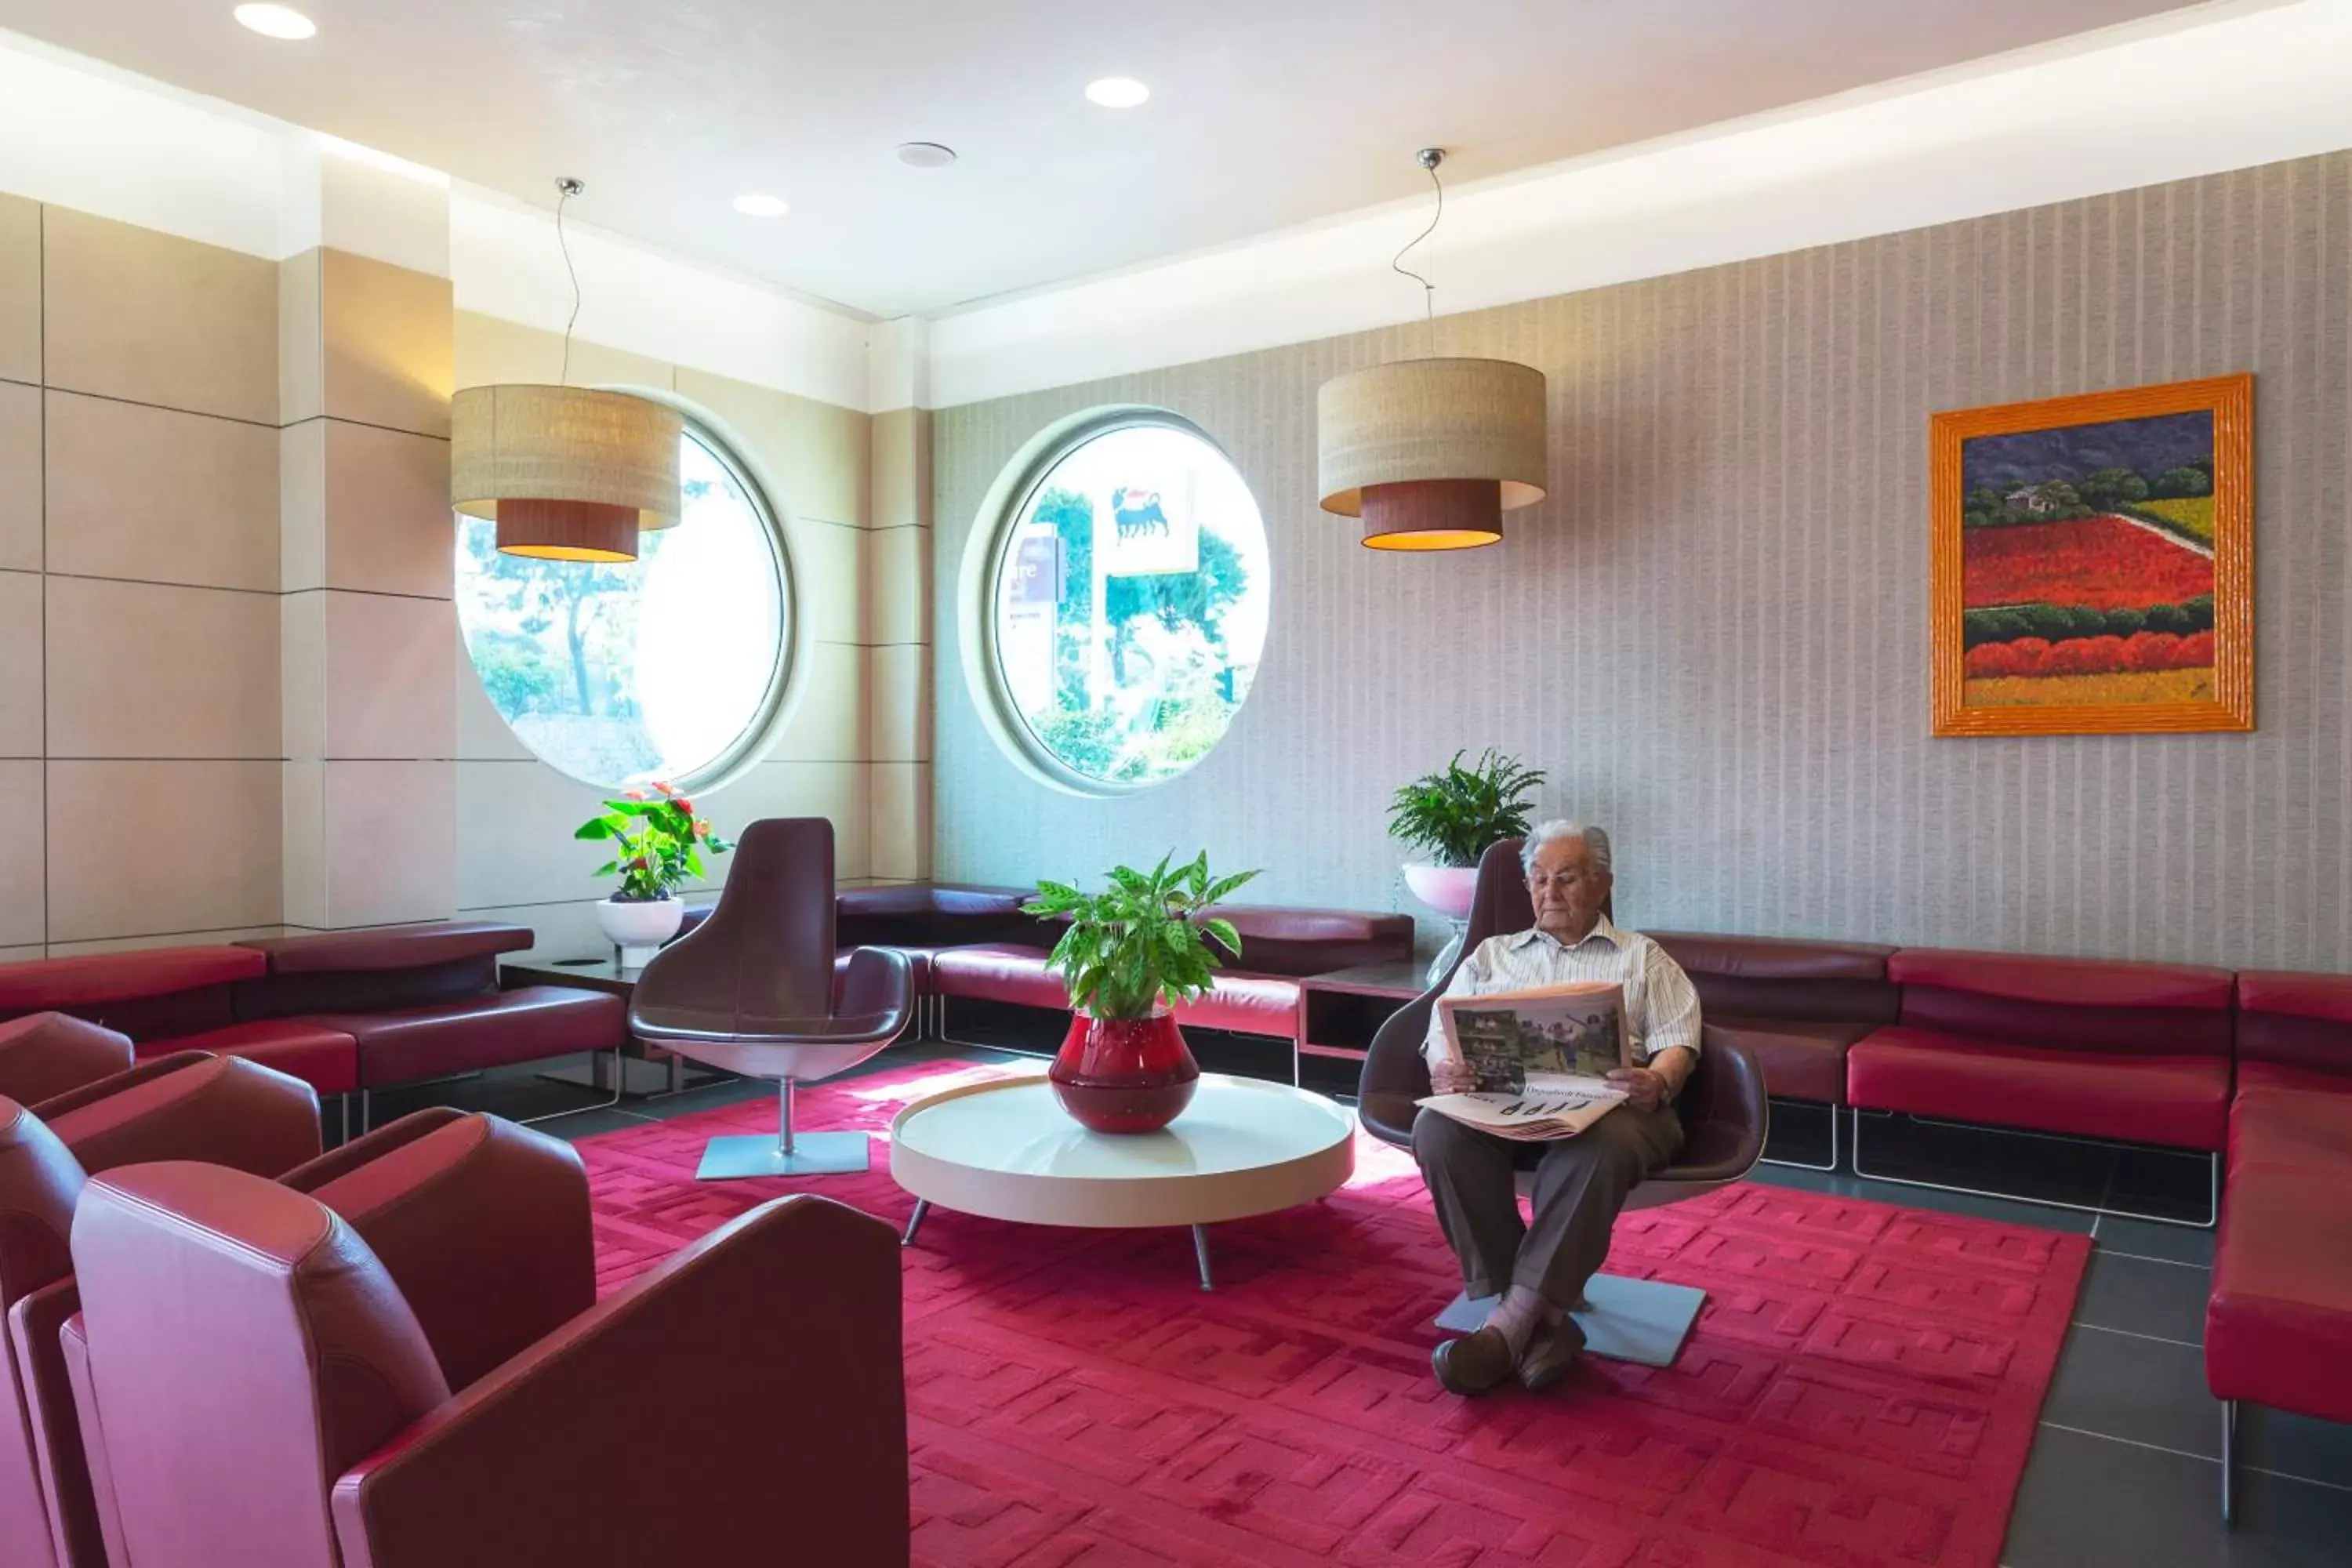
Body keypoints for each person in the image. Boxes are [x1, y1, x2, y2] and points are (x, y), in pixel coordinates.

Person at [1413, 819, 1700, 1396]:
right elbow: (1439, 1033)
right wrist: (1446, 1069)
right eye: (1539, 879)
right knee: (1435, 1128)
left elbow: (1681, 1039)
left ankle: (1508, 1326)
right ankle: (1540, 1322)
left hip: (1619, 1109)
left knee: (1601, 1145)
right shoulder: (1492, 957)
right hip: (1508, 1106)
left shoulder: (1642, 957)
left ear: (1602, 884)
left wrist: (1657, 1080)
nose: (1551, 893)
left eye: (1567, 879)